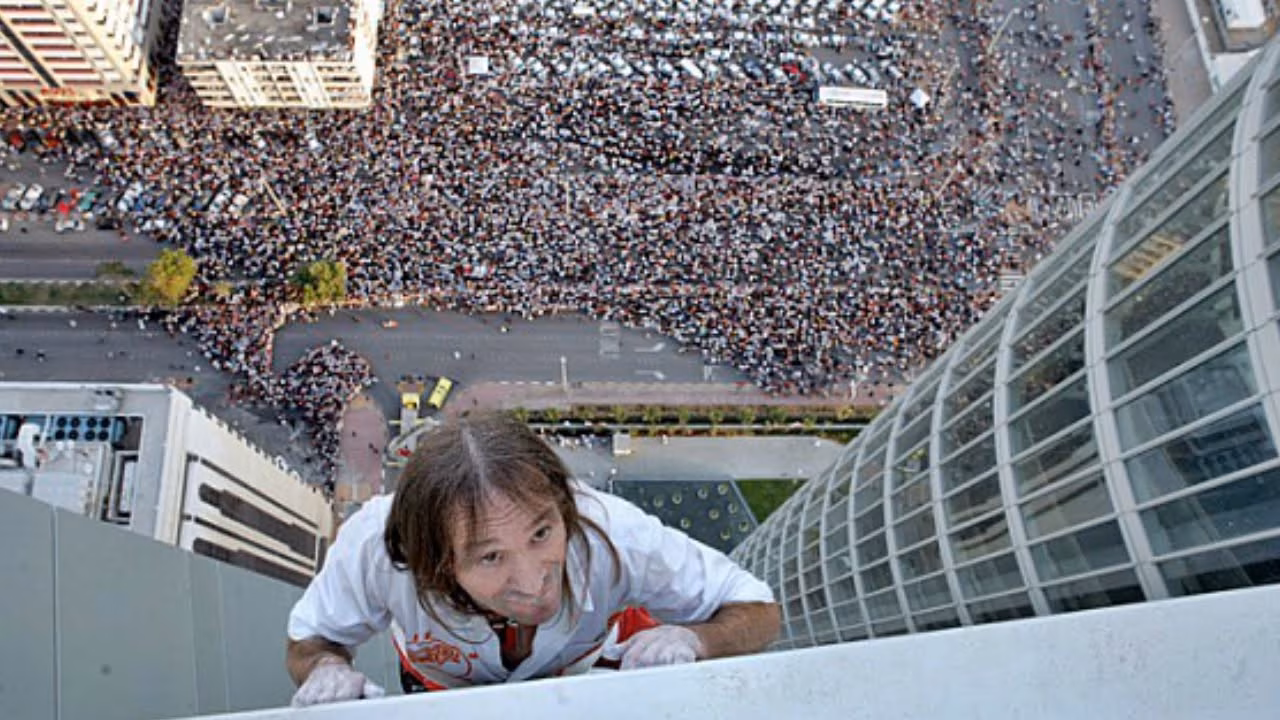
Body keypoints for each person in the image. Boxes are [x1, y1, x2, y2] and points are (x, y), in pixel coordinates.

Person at [285, 412, 780, 706]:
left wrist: (696, 638)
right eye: (490, 557)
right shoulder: (376, 545)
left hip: (587, 673)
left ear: (566, 508)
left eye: (542, 532)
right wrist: (326, 668)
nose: (533, 582)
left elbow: (757, 608)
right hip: (439, 687)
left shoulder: (609, 527)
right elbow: (309, 641)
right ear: (433, 563)